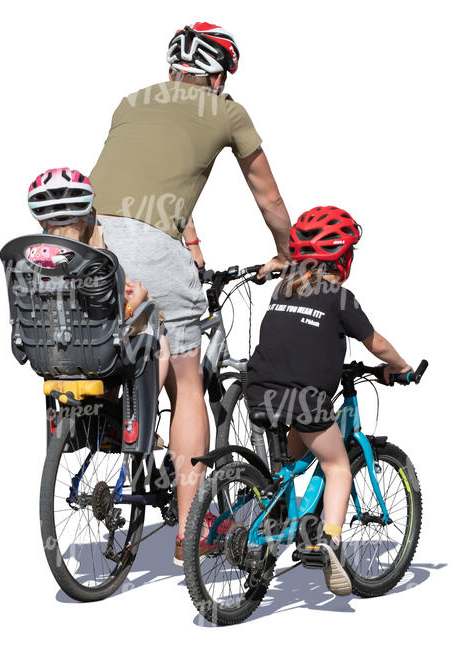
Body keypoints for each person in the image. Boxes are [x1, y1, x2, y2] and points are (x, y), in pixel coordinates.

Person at [88, 22, 292, 565]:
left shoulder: (132, 102)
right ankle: (191, 527)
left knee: (137, 339)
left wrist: (191, 242)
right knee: (187, 376)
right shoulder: (229, 112)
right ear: (219, 74)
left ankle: (123, 420)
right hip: (151, 244)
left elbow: (153, 182)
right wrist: (288, 252)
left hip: (90, 240)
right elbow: (267, 197)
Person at [245, 206, 412, 596]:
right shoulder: (341, 298)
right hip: (305, 400)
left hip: (259, 390)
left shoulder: (283, 286)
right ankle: (328, 542)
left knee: (289, 464)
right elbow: (377, 344)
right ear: (343, 258)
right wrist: (400, 367)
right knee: (337, 465)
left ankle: (275, 518)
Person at [26, 167, 171, 395]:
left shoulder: (29, 260)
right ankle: (139, 424)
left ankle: (106, 414)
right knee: (160, 342)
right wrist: (135, 302)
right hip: (98, 353)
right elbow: (106, 320)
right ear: (86, 215)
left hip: (50, 355)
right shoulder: (93, 262)